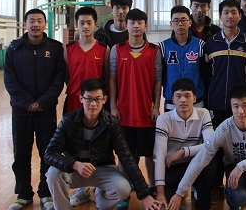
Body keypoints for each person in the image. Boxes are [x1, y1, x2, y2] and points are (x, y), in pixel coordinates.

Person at [45, 78, 161, 210]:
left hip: (103, 169)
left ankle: (101, 202)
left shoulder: (111, 123)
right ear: (81, 99)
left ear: (104, 99)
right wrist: (75, 164)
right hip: (76, 169)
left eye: (97, 99)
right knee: (53, 174)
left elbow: (126, 157)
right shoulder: (68, 121)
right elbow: (49, 153)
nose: (93, 104)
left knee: (123, 188)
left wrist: (145, 194)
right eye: (88, 99)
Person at [167, 84, 246, 210]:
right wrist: (180, 192)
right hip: (234, 169)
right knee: (238, 197)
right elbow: (201, 159)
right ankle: (237, 199)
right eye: (236, 106)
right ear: (231, 107)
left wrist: (241, 166)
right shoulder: (224, 129)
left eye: (245, 105)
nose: (241, 111)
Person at [4, 9, 65, 210]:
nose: (35, 25)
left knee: (47, 152)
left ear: (45, 24)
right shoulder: (14, 49)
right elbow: (10, 80)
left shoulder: (55, 49)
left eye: (39, 21)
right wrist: (27, 103)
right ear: (25, 24)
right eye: (31, 21)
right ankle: (23, 194)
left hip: (45, 111)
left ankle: (46, 193)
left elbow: (58, 79)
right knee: (21, 153)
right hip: (21, 111)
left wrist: (43, 102)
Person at [204, 0, 246, 203]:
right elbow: (206, 74)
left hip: (240, 108)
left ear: (239, 16)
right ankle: (217, 185)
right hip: (216, 105)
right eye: (226, 12)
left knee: (242, 147)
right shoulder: (211, 43)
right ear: (220, 16)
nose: (230, 16)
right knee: (217, 148)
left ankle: (244, 185)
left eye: (234, 12)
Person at [109, 8, 162, 189]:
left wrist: (156, 107)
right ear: (127, 25)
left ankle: (153, 187)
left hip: (146, 111)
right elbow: (112, 79)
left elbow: (158, 80)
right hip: (124, 112)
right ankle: (124, 190)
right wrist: (113, 106)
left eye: (140, 22)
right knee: (125, 155)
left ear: (145, 26)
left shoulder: (154, 50)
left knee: (151, 154)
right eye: (132, 22)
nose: (136, 26)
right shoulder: (117, 49)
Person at [63, 6, 110, 207]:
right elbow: (67, 77)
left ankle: (98, 185)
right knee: (75, 147)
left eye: (89, 22)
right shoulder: (68, 49)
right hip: (74, 102)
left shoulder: (103, 49)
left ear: (95, 24)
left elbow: (107, 77)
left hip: (96, 105)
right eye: (81, 23)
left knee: (97, 145)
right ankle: (81, 189)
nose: (85, 26)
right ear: (76, 25)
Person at [153, 78, 216, 209]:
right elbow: (159, 156)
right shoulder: (164, 119)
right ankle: (176, 191)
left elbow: (211, 145)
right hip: (173, 167)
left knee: (210, 164)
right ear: (172, 99)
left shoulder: (203, 114)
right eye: (178, 96)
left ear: (194, 98)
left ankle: (202, 203)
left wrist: (183, 152)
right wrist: (160, 192)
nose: (183, 100)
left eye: (187, 96)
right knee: (166, 205)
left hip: (195, 165)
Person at [159, 5, 207, 111]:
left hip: (196, 100)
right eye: (176, 21)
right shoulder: (163, 46)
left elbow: (205, 73)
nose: (180, 24)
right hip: (172, 101)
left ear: (190, 22)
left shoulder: (200, 45)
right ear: (171, 23)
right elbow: (161, 75)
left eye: (183, 20)